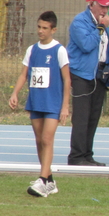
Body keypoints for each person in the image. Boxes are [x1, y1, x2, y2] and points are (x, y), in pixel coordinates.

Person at [8, 11, 71, 197]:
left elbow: (67, 80)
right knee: (38, 140)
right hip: (36, 101)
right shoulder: (32, 49)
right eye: (39, 27)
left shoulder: (59, 50)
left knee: (47, 139)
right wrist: (15, 93)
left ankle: (42, 180)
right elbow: (23, 74)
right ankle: (49, 180)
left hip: (53, 102)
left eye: (45, 28)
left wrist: (65, 106)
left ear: (53, 29)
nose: (41, 31)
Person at [67, 0, 109, 166]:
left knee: (94, 116)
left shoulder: (104, 23)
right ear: (92, 4)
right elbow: (87, 45)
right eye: (101, 6)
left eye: (107, 7)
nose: (104, 11)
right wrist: (101, 28)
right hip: (82, 74)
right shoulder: (80, 21)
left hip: (99, 75)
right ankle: (76, 156)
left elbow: (106, 49)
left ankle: (87, 154)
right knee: (82, 116)